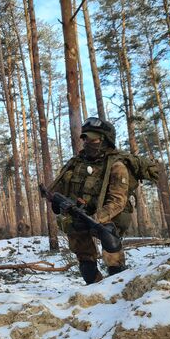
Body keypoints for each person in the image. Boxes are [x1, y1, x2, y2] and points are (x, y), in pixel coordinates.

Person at [49, 117, 132, 284]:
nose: (87, 142)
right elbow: (57, 190)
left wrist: (97, 219)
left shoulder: (116, 166)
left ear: (105, 140)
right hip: (79, 214)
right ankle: (94, 287)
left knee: (110, 239)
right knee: (84, 255)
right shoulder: (75, 163)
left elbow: (117, 201)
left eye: (92, 139)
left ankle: (119, 284)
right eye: (85, 138)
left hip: (106, 217)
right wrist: (60, 204)